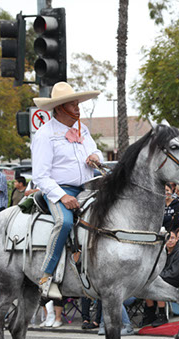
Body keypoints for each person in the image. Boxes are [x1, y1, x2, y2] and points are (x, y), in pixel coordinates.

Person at [31, 81, 103, 299]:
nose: (78, 109)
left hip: (88, 189)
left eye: (77, 104)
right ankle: (46, 277)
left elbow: (94, 149)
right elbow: (40, 176)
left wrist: (95, 157)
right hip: (58, 190)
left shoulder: (83, 129)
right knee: (64, 222)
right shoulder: (44, 134)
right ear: (60, 108)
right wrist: (62, 196)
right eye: (73, 105)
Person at [142, 231, 179, 328]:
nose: (170, 241)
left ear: (176, 239)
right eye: (168, 238)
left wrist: (158, 276)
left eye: (172, 238)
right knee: (146, 283)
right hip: (167, 275)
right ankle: (150, 313)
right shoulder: (163, 251)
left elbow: (174, 272)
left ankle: (162, 315)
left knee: (159, 285)